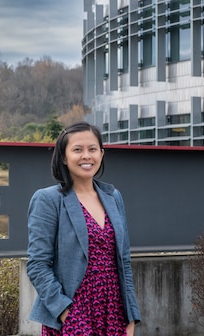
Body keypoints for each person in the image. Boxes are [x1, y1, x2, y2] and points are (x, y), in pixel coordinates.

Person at [26, 121, 140, 335]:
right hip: (73, 314)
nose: (86, 156)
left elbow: (124, 263)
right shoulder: (48, 200)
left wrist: (131, 315)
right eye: (77, 150)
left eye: (92, 149)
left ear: (102, 154)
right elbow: (37, 266)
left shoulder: (113, 197)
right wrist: (67, 313)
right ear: (63, 157)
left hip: (114, 312)